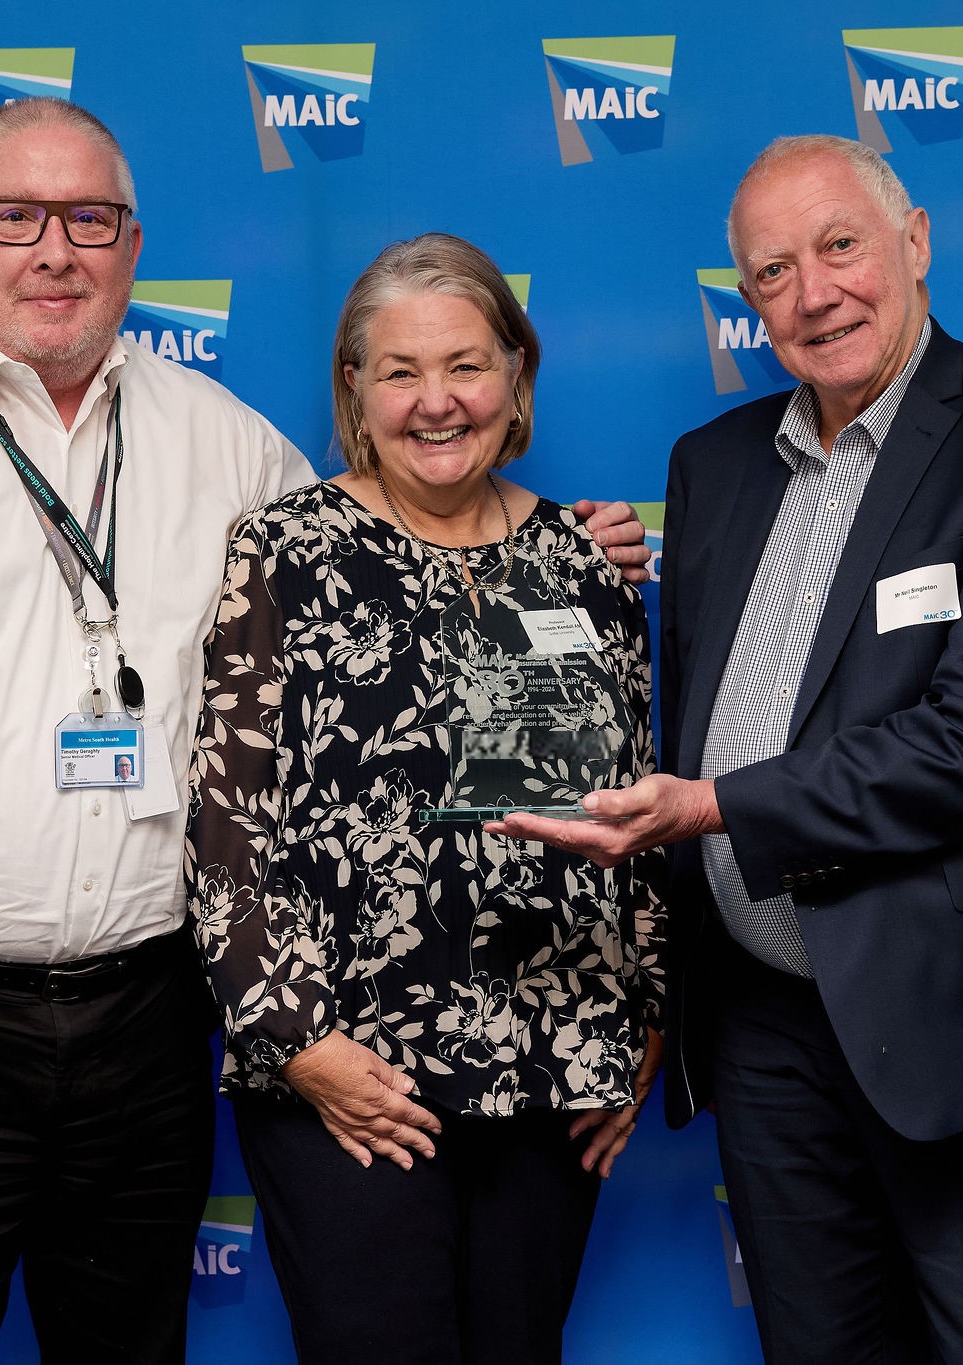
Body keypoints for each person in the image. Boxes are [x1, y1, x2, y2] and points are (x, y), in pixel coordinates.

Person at [0, 101, 649, 1364]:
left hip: (146, 1020)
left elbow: (408, 558)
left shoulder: (226, 444)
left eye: (88, 219)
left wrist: (552, 554)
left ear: (131, 245)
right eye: (14, 219)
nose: (54, 250)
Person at [493, 136, 963, 1363]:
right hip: (766, 1028)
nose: (812, 294)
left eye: (839, 246)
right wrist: (558, 572)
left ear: (912, 244)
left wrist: (709, 810)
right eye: (769, 273)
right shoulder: (712, 467)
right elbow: (689, 702)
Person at [186, 233, 666, 1365]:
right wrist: (298, 1044)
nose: (435, 401)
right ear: (354, 390)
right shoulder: (283, 550)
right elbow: (225, 827)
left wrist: (639, 1027)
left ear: (515, 375)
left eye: (464, 364)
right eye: (398, 371)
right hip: (350, 1074)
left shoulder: (584, 564)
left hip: (554, 1063)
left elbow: (633, 814)